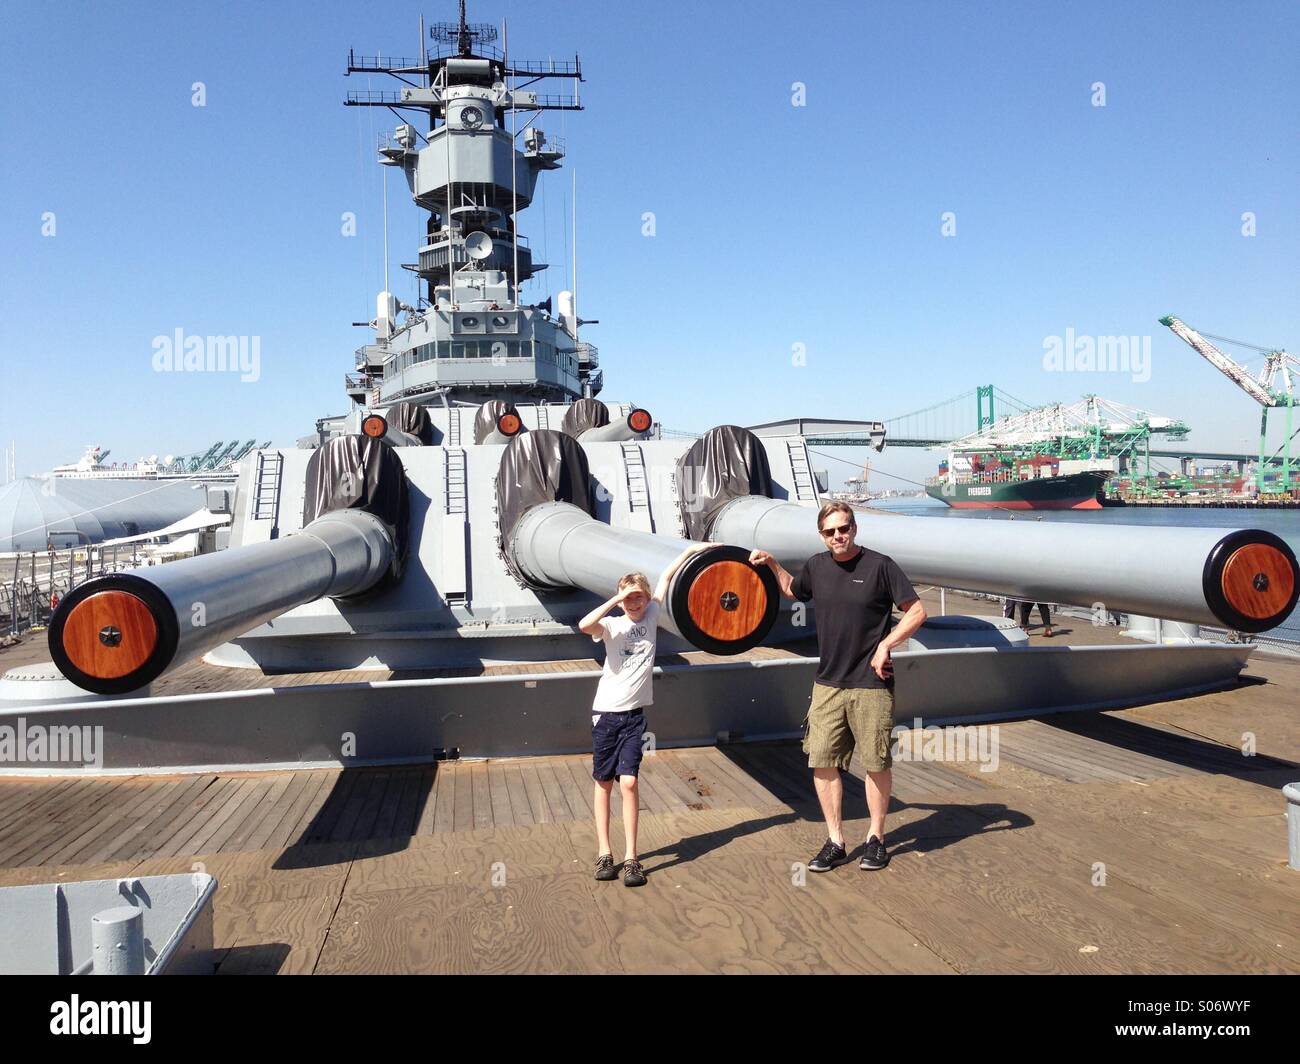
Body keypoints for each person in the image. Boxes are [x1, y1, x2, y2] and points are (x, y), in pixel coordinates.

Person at [750, 502, 926, 872]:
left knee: (876, 762)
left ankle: (876, 838)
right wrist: (771, 563)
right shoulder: (816, 566)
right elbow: (792, 590)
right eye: (830, 532)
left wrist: (885, 645)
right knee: (823, 762)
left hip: (871, 683)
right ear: (822, 535)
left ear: (855, 528)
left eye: (843, 529)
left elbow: (916, 611)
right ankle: (836, 841)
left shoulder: (880, 566)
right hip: (828, 682)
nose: (838, 536)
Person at [578, 544, 709, 887]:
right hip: (606, 713)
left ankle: (631, 857)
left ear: (647, 599)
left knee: (630, 783)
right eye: (629, 599)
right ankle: (605, 851)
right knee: (603, 783)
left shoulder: (651, 614)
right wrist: (616, 597)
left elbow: (667, 576)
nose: (635, 604)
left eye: (639, 598)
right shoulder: (611, 626)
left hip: (634, 716)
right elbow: (583, 624)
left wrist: (696, 550)